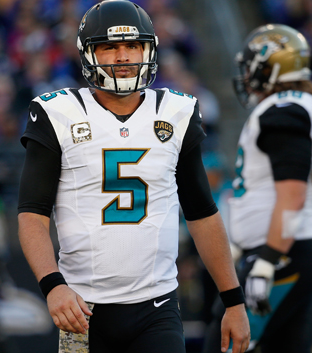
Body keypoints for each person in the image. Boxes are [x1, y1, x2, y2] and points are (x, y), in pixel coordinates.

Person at [16, 1, 250, 353]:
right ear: (88, 53)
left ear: (149, 49)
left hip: (156, 307)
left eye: (132, 46)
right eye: (109, 47)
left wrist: (234, 301)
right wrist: (53, 285)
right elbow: (32, 215)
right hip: (82, 309)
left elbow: (202, 212)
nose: (123, 56)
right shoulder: (58, 113)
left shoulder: (175, 112)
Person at [204, 24, 312, 353]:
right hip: (299, 249)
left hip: (284, 253)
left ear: (272, 67)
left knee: (221, 346)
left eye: (253, 67)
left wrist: (268, 260)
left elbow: (292, 197)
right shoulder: (309, 105)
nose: (248, 76)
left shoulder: (282, 111)